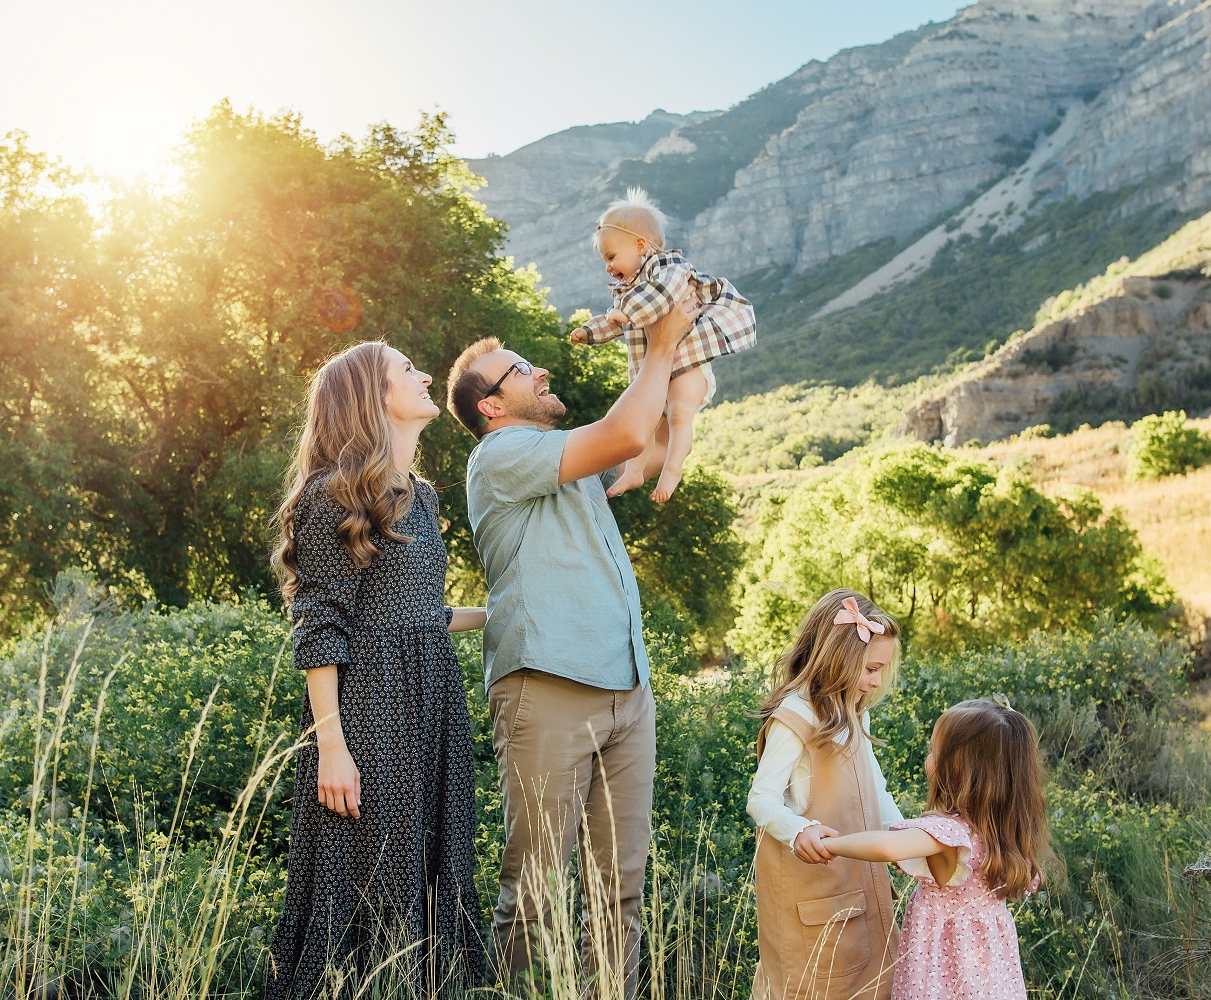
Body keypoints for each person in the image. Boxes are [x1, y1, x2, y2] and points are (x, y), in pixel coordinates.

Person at [445, 294, 695, 996]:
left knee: (620, 892)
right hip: (548, 686)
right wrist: (663, 342)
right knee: (537, 888)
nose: (542, 372)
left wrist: (660, 343)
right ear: (491, 406)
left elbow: (643, 433)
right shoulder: (501, 454)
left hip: (627, 689)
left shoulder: (557, 455)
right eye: (522, 370)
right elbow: (623, 434)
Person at [265, 341, 489, 1000]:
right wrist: (332, 749)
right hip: (369, 709)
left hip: (432, 703)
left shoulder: (422, 497)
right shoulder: (330, 494)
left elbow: (419, 610)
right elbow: (321, 626)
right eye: (406, 370)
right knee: (368, 874)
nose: (424, 376)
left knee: (430, 865)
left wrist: (503, 613)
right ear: (370, 396)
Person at [822, 699, 1052, 1000]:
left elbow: (887, 846)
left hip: (943, 978)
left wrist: (828, 843)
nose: (928, 757)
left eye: (934, 750)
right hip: (993, 982)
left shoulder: (951, 833)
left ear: (958, 768)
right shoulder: (1004, 833)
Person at [747, 590, 906, 1000]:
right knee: (815, 985)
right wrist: (798, 830)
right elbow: (761, 799)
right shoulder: (796, 716)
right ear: (839, 659)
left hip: (859, 885)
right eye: (870, 669)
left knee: (873, 980)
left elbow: (877, 788)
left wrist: (904, 840)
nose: (874, 681)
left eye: (881, 671)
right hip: (815, 893)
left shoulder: (854, 710)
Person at [567, 188, 756, 501]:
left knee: (680, 414)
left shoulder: (669, 268)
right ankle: (633, 471)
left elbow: (659, 296)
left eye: (611, 256)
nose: (607, 266)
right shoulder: (628, 292)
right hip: (656, 372)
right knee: (645, 421)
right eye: (605, 260)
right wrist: (590, 332)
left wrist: (623, 312)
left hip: (688, 364)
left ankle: (672, 470)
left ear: (641, 246)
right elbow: (616, 320)